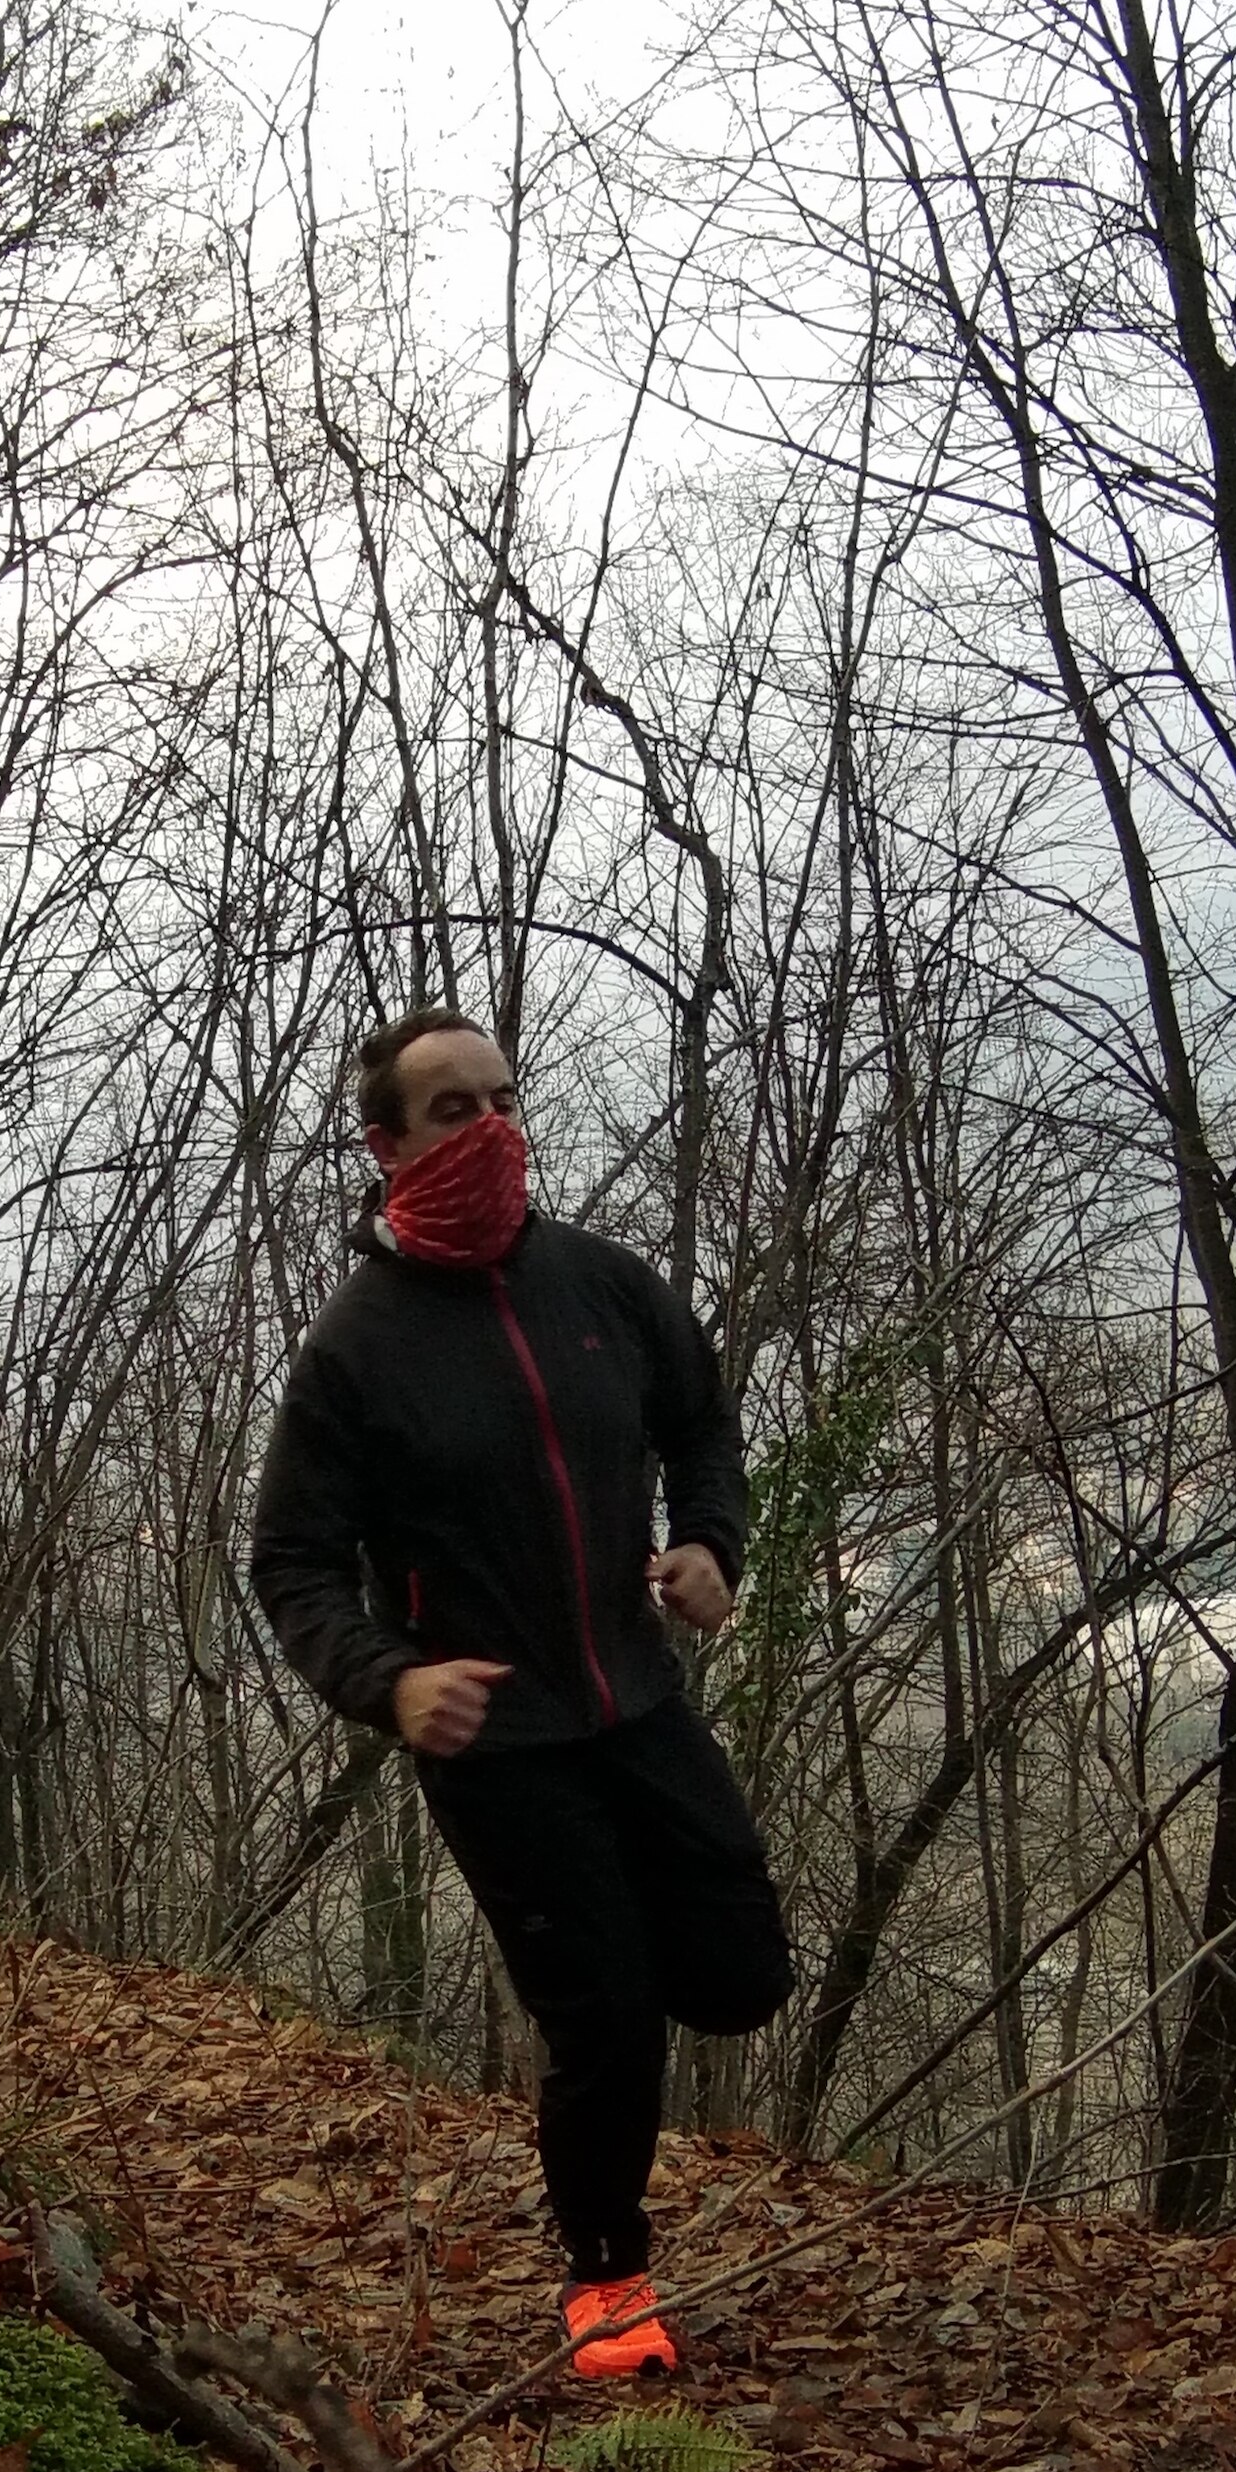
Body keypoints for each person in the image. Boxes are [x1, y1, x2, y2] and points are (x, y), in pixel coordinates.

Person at [248, 1007, 796, 2380]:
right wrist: (390, 1682)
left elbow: (703, 1425)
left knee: (742, 1977)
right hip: (498, 1742)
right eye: (453, 1109)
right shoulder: (356, 1350)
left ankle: (608, 1974)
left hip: (639, 1697)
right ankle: (607, 2285)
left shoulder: (603, 1285)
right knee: (604, 2020)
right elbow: (293, 1563)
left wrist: (709, 1543)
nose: (492, 1129)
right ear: (385, 1145)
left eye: (503, 1100)